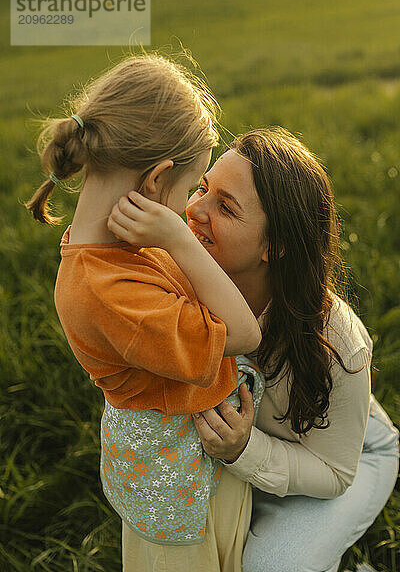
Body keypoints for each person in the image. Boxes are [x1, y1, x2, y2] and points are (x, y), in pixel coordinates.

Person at [113, 127, 399, 572]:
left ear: (276, 246)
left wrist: (244, 452)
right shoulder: (181, 278)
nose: (194, 210)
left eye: (225, 207)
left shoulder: (338, 343)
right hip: (247, 451)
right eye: (203, 187)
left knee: (272, 566)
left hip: (346, 458)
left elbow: (335, 472)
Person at [24, 52, 266, 572]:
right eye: (189, 189)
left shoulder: (118, 248)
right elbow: (244, 333)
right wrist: (180, 240)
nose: (189, 212)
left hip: (197, 469)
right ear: (156, 180)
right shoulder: (114, 294)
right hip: (172, 498)